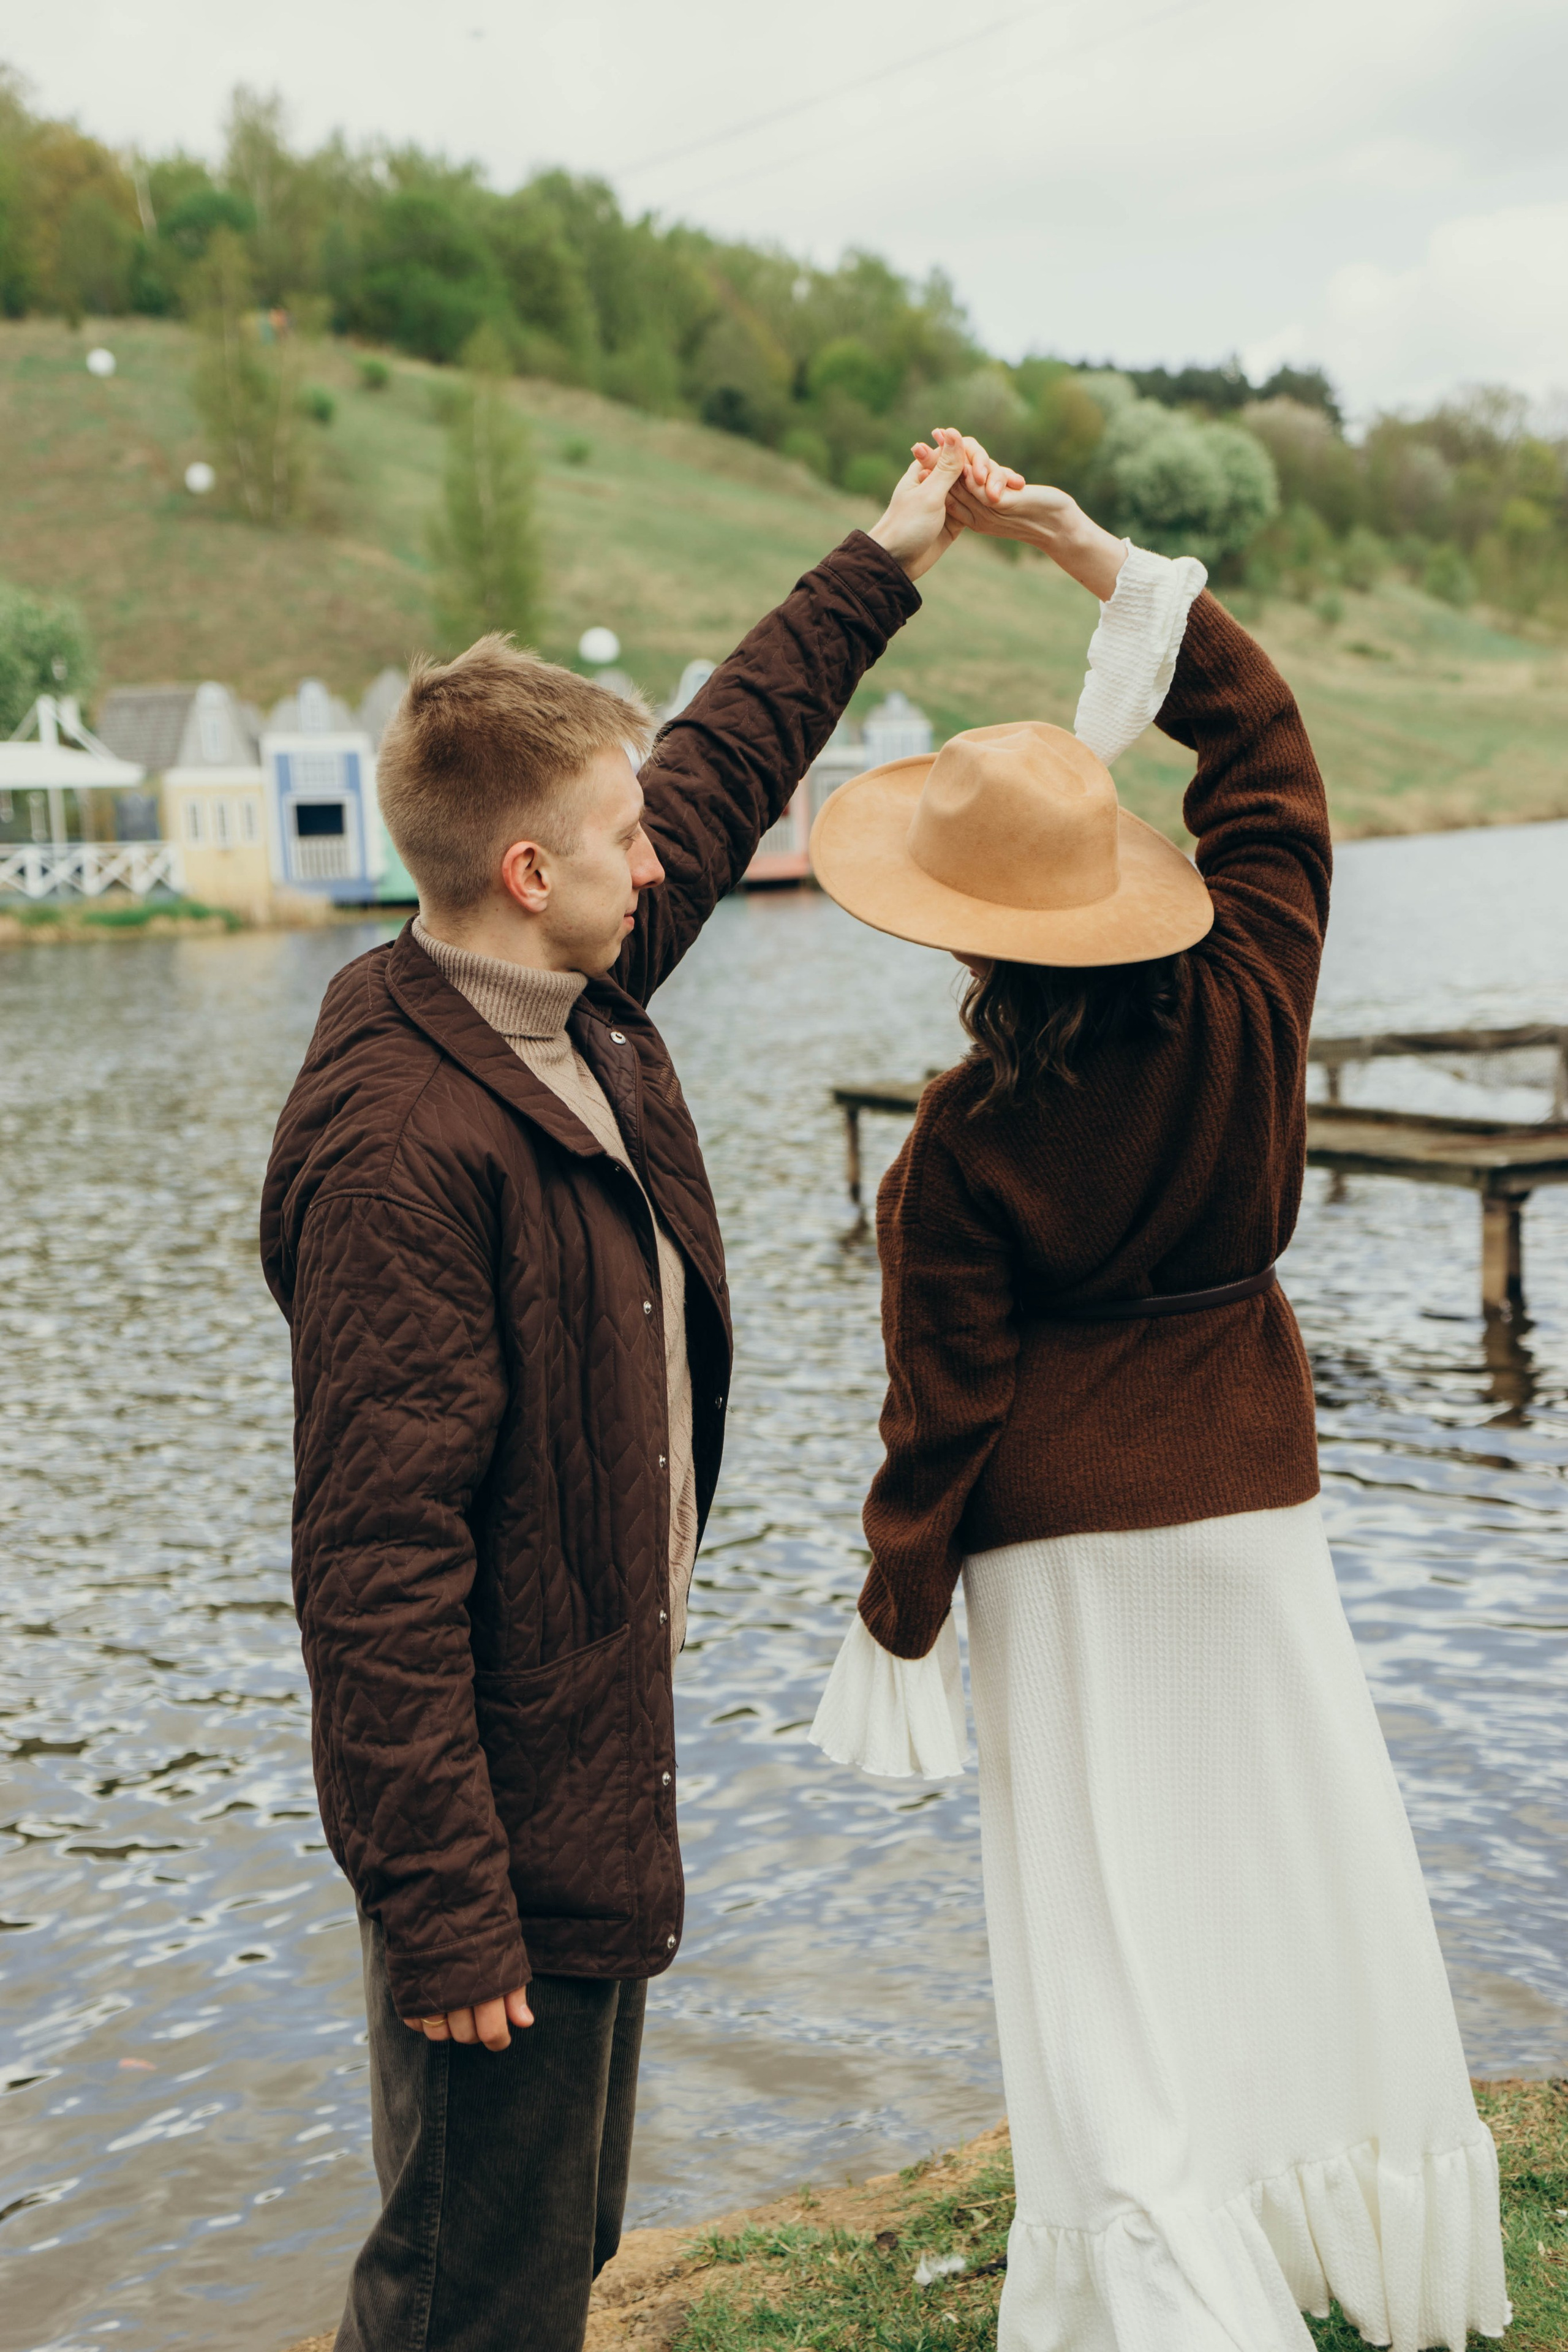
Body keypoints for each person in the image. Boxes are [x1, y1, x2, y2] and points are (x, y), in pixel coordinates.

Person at [260, 432, 973, 2352]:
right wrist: (443, 1906)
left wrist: (885, 558)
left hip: (584, 1763)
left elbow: (725, 766)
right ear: (523, 870)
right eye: (622, 840)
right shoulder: (409, 1148)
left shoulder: (561, 996)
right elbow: (372, 1559)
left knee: (550, 2258)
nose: (662, 861)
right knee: (460, 2293)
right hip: (486, 1815)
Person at [809, 449, 1511, 2352]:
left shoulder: (955, 1155)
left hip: (1064, 1559)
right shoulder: (1258, 988)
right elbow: (1266, 744)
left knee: (1110, 1936)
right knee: (1291, 1867)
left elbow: (941, 1412)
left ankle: (1164, 2265)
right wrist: (1085, 552)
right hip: (1252, 1513)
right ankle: (1334, 2234)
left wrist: (898, 1610)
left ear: (960, 929)